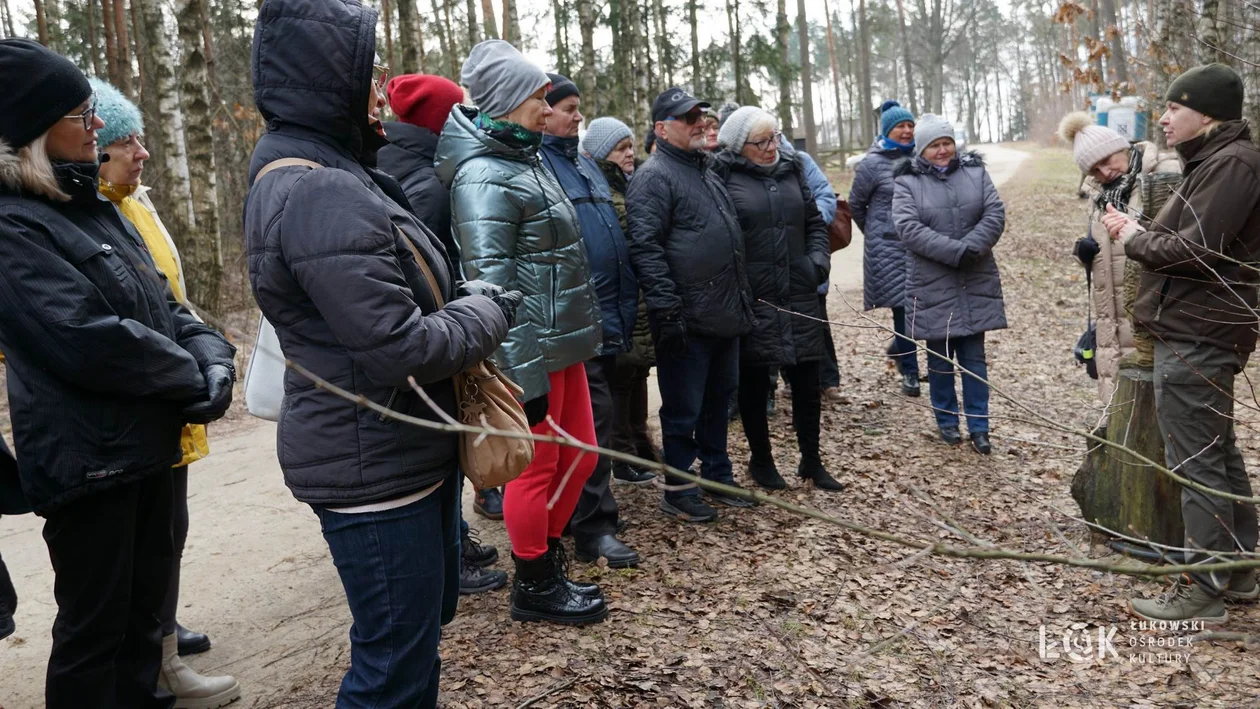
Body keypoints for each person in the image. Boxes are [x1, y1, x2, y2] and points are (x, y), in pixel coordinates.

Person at [245, 1, 515, 704]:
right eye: (368, 74)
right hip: (375, 469)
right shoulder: (319, 189)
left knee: (411, 641)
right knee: (390, 664)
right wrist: (486, 309)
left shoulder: (330, 172)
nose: (381, 89)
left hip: (392, 450)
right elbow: (399, 345)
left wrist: (460, 295)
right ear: (325, 82)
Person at [0, 39, 237, 708]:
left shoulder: (93, 206)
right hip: (89, 466)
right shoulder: (12, 225)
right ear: (36, 130)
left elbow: (164, 303)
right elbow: (85, 337)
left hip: (145, 449)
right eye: (82, 114)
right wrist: (192, 376)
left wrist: (213, 354)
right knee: (95, 636)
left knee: (141, 629)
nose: (97, 125)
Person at [435, 39, 608, 625]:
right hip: (530, 351)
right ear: (511, 100)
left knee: (581, 457)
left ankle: (547, 565)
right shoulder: (483, 175)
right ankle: (534, 581)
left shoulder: (526, 158)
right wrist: (519, 373)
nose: (547, 102)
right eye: (539, 94)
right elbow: (491, 285)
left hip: (564, 343)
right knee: (536, 470)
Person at [90, 76, 242, 707]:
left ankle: (161, 637)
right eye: (127, 142)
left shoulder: (131, 201)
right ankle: (154, 654)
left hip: (167, 394)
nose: (140, 154)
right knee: (128, 555)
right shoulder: (82, 217)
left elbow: (167, 296)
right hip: (128, 410)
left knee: (168, 531)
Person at [1100, 64, 1260, 622]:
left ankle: (1201, 591)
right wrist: (1143, 231)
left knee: (1196, 461)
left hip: (1200, 332)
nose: (1163, 119)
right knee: (1214, 452)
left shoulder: (1232, 164)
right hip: (1196, 328)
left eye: (1173, 108)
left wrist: (1134, 238)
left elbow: (1195, 251)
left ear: (1207, 113)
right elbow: (1189, 237)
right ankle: (1237, 572)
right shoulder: (1214, 162)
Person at [377, 72, 509, 597]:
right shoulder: (428, 180)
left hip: (428, 331)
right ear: (441, 119)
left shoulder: (395, 161)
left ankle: (457, 541)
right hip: (434, 331)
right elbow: (428, 268)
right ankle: (453, 553)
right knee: (445, 435)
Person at [625, 87, 755, 523]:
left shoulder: (705, 170)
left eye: (700, 115)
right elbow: (645, 248)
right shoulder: (654, 177)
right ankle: (679, 487)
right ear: (661, 129)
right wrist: (668, 311)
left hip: (724, 314)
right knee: (683, 409)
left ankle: (718, 474)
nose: (700, 123)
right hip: (686, 319)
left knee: (720, 401)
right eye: (688, 118)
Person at [538, 75, 640, 569]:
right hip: (575, 319)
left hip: (608, 316)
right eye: (569, 108)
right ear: (545, 111)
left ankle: (593, 517)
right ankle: (592, 528)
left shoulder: (584, 165)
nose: (578, 116)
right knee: (587, 430)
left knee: (599, 423)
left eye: (579, 108)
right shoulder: (537, 165)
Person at [713, 107, 843, 492]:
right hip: (756, 297)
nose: (773, 147)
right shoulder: (722, 175)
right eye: (762, 141)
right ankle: (762, 461)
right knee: (755, 382)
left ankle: (811, 460)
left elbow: (814, 224)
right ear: (740, 147)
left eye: (775, 137)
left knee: (807, 379)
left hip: (799, 292)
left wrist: (816, 264)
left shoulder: (793, 169)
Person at [891, 114, 1006, 455]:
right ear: (921, 149)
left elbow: (994, 214)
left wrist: (973, 247)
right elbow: (908, 228)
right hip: (932, 281)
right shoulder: (907, 182)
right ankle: (946, 421)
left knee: (974, 359)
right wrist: (955, 251)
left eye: (946, 144)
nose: (942, 151)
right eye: (934, 146)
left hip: (975, 278)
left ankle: (979, 426)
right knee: (939, 360)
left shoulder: (975, 172)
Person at [1057, 111, 1181, 402]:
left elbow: (1180, 239)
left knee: (1157, 401)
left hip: (1156, 309)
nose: (1104, 172)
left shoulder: (1164, 175)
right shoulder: (1102, 194)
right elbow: (1105, 248)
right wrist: (1085, 252)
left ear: (1121, 148)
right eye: (1094, 170)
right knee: (1118, 400)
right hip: (1110, 313)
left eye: (1106, 161)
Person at [584, 117, 659, 486]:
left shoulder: (627, 186)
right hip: (619, 299)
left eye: (631, 146)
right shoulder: (603, 192)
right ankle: (622, 454)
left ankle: (640, 444)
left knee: (636, 372)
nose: (630, 154)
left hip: (638, 299)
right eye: (620, 148)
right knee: (620, 378)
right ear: (602, 153)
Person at [851, 100, 920, 398]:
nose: (906, 131)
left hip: (921, 244)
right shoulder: (872, 163)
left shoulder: (923, 155)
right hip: (889, 248)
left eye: (909, 125)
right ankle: (912, 374)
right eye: (899, 126)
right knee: (904, 310)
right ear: (887, 130)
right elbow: (856, 204)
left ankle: (899, 349)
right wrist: (878, 233)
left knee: (923, 307)